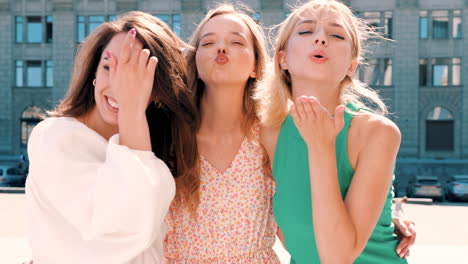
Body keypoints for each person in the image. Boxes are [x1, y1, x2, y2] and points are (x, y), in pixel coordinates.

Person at [25, 11, 197, 264]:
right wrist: (132, 108)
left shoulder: (152, 148)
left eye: (135, 76)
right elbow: (125, 222)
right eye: (108, 66)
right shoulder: (55, 138)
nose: (119, 85)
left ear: (159, 91)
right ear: (93, 73)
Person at [255, 0, 412, 263]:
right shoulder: (266, 134)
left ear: (352, 66)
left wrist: (321, 146)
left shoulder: (377, 133)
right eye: (306, 32)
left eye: (337, 35)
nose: (321, 39)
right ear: (282, 59)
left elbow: (337, 256)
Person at [163, 4, 280, 263]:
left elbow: (298, 228)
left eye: (236, 42)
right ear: (195, 61)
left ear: (255, 66)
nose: (221, 48)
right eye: (208, 43)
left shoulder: (272, 134)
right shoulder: (170, 133)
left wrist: (380, 223)